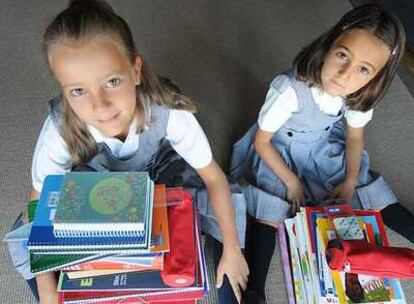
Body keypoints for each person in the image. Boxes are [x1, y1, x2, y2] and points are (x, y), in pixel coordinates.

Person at [12, 1, 248, 303]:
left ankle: (233, 283)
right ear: (63, 89)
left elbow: (214, 178)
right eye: (78, 91)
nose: (100, 106)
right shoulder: (59, 129)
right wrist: (47, 289)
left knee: (225, 211)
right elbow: (39, 205)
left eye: (112, 82)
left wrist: (232, 250)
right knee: (26, 235)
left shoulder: (169, 112)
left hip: (159, 180)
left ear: (135, 71)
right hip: (93, 188)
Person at [230, 4, 414, 303]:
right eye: (343, 55)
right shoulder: (289, 89)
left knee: (363, 185)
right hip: (279, 150)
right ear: (329, 45)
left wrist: (351, 180)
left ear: (374, 78)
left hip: (321, 146)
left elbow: (355, 138)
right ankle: (255, 291)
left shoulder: (357, 94)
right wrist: (292, 182)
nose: (345, 74)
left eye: (363, 70)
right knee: (273, 203)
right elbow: (261, 143)